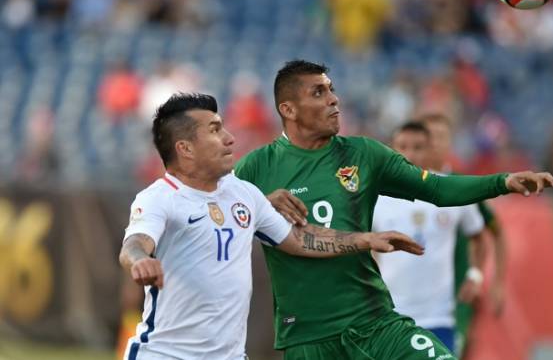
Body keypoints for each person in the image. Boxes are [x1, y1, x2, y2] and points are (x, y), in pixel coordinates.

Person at [234, 60, 553, 360]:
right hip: (307, 337)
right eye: (319, 92)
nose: (334, 99)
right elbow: (216, 219)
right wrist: (257, 204)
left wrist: (503, 182)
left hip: (372, 322)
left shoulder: (363, 154)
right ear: (288, 109)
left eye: (332, 90)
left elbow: (437, 187)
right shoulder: (256, 168)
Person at [118, 93, 422, 360]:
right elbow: (135, 243)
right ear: (185, 148)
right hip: (165, 355)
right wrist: (142, 260)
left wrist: (365, 239)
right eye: (214, 130)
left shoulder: (243, 194)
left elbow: (298, 239)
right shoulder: (159, 198)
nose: (229, 137)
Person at [372, 121, 486, 354]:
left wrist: (475, 275)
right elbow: (364, 245)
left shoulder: (450, 189)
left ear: (430, 149)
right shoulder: (375, 196)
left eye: (418, 147)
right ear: (392, 149)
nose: (410, 153)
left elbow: (478, 235)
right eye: (402, 146)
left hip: (439, 317)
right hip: (390, 316)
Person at [420, 113, 507, 357]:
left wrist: (488, 279)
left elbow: (496, 233)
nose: (435, 143)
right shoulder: (408, 183)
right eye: (430, 137)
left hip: (456, 297)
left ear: (450, 141)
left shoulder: (461, 187)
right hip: (412, 300)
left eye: (441, 136)